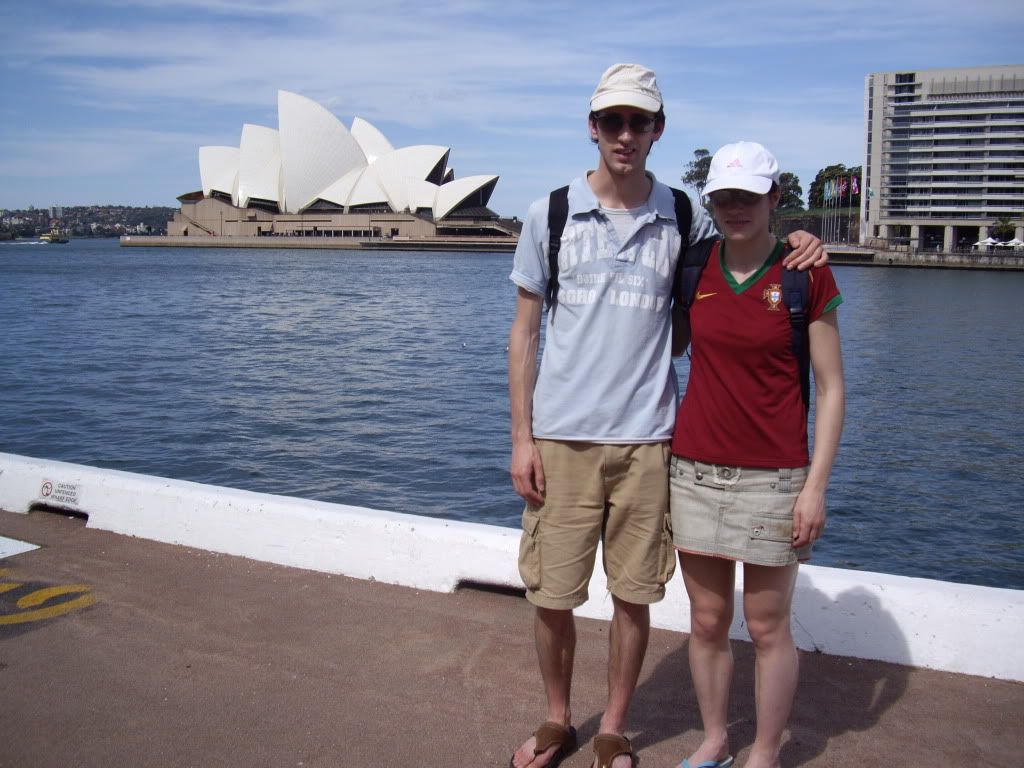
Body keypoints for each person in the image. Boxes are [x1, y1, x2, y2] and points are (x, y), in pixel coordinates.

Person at [507, 64, 826, 768]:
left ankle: (615, 727)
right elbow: (525, 334)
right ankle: (558, 719)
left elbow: (750, 247)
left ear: (657, 129)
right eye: (613, 121)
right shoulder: (549, 214)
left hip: (652, 440)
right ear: (593, 126)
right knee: (552, 594)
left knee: (633, 593)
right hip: (560, 438)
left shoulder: (683, 216)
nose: (626, 134)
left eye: (640, 121)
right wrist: (522, 438)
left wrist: (804, 239)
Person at [669, 141, 845, 768]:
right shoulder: (693, 270)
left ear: (774, 198)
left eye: (750, 196)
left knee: (769, 627)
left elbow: (831, 388)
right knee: (708, 620)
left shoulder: (804, 273)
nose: (736, 207)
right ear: (711, 202)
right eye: (724, 198)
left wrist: (815, 486)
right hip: (691, 473)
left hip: (775, 479)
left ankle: (764, 752)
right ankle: (715, 738)